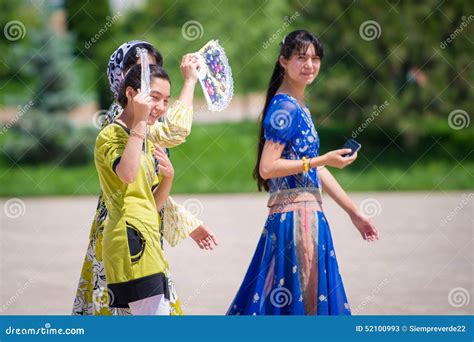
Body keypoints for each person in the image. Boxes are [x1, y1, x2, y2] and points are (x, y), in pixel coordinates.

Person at [227, 30, 379, 316]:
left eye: (315, 58)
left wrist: (353, 212)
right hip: (296, 219)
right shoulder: (285, 107)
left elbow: (316, 168)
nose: (309, 65)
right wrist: (320, 159)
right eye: (301, 57)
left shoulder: (300, 106)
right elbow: (268, 167)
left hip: (307, 214)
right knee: (304, 302)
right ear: (283, 61)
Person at [73, 41, 217, 316]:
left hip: (145, 232)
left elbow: (147, 190)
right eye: (141, 70)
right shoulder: (120, 126)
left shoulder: (144, 126)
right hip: (123, 234)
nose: (149, 74)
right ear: (125, 80)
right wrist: (189, 83)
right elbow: (134, 174)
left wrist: (185, 218)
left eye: (154, 68)